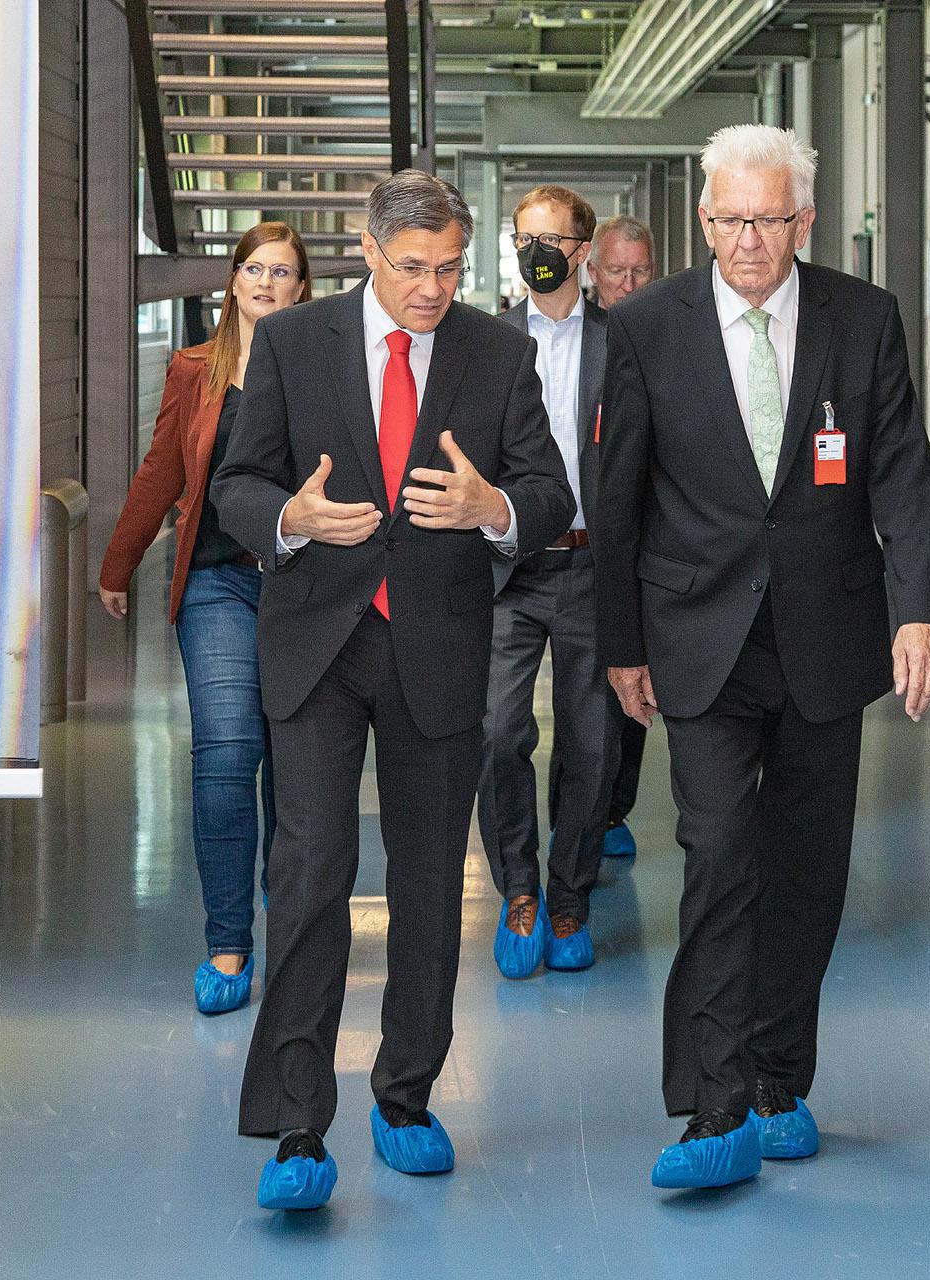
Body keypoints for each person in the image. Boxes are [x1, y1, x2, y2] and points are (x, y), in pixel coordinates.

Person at [210, 170, 574, 1212]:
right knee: (315, 868)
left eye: (451, 267)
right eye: (412, 268)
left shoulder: (497, 353)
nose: (431, 288)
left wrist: (491, 502)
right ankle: (293, 1121)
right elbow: (237, 481)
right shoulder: (292, 343)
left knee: (425, 883)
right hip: (321, 642)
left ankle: (407, 1094)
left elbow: (548, 493)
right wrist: (292, 517)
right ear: (369, 252)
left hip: (439, 645)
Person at [596, 124, 930, 1191]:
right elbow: (620, 494)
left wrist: (919, 611)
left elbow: (903, 474)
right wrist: (620, 642)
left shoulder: (863, 318)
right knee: (716, 856)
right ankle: (712, 1104)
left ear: (805, 218)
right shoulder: (649, 325)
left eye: (771, 218)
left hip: (825, 636)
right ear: (704, 220)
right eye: (731, 219)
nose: (750, 239)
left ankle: (779, 1078)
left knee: (809, 867)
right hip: (696, 634)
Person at [98, 223, 309, 1016]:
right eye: (253, 268)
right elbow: (162, 469)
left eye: (281, 272)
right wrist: (118, 563)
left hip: (302, 590)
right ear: (231, 280)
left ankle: (289, 918)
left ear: (300, 289)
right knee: (228, 752)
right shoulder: (194, 369)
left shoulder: (319, 368)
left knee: (296, 770)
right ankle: (229, 942)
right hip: (218, 582)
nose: (264, 283)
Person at [480, 185, 618, 978]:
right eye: (523, 236)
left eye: (551, 238)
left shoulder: (619, 341)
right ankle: (519, 890)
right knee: (498, 731)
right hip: (509, 565)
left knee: (591, 745)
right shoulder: (486, 341)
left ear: (581, 251)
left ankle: (569, 898)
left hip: (595, 564)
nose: (537, 251)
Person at [587, 215, 659, 860]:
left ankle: (611, 810)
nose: (630, 284)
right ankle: (575, 811)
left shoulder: (671, 337)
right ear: (592, 273)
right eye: (618, 272)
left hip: (639, 539)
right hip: (566, 535)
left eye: (641, 272)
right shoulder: (577, 339)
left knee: (631, 678)